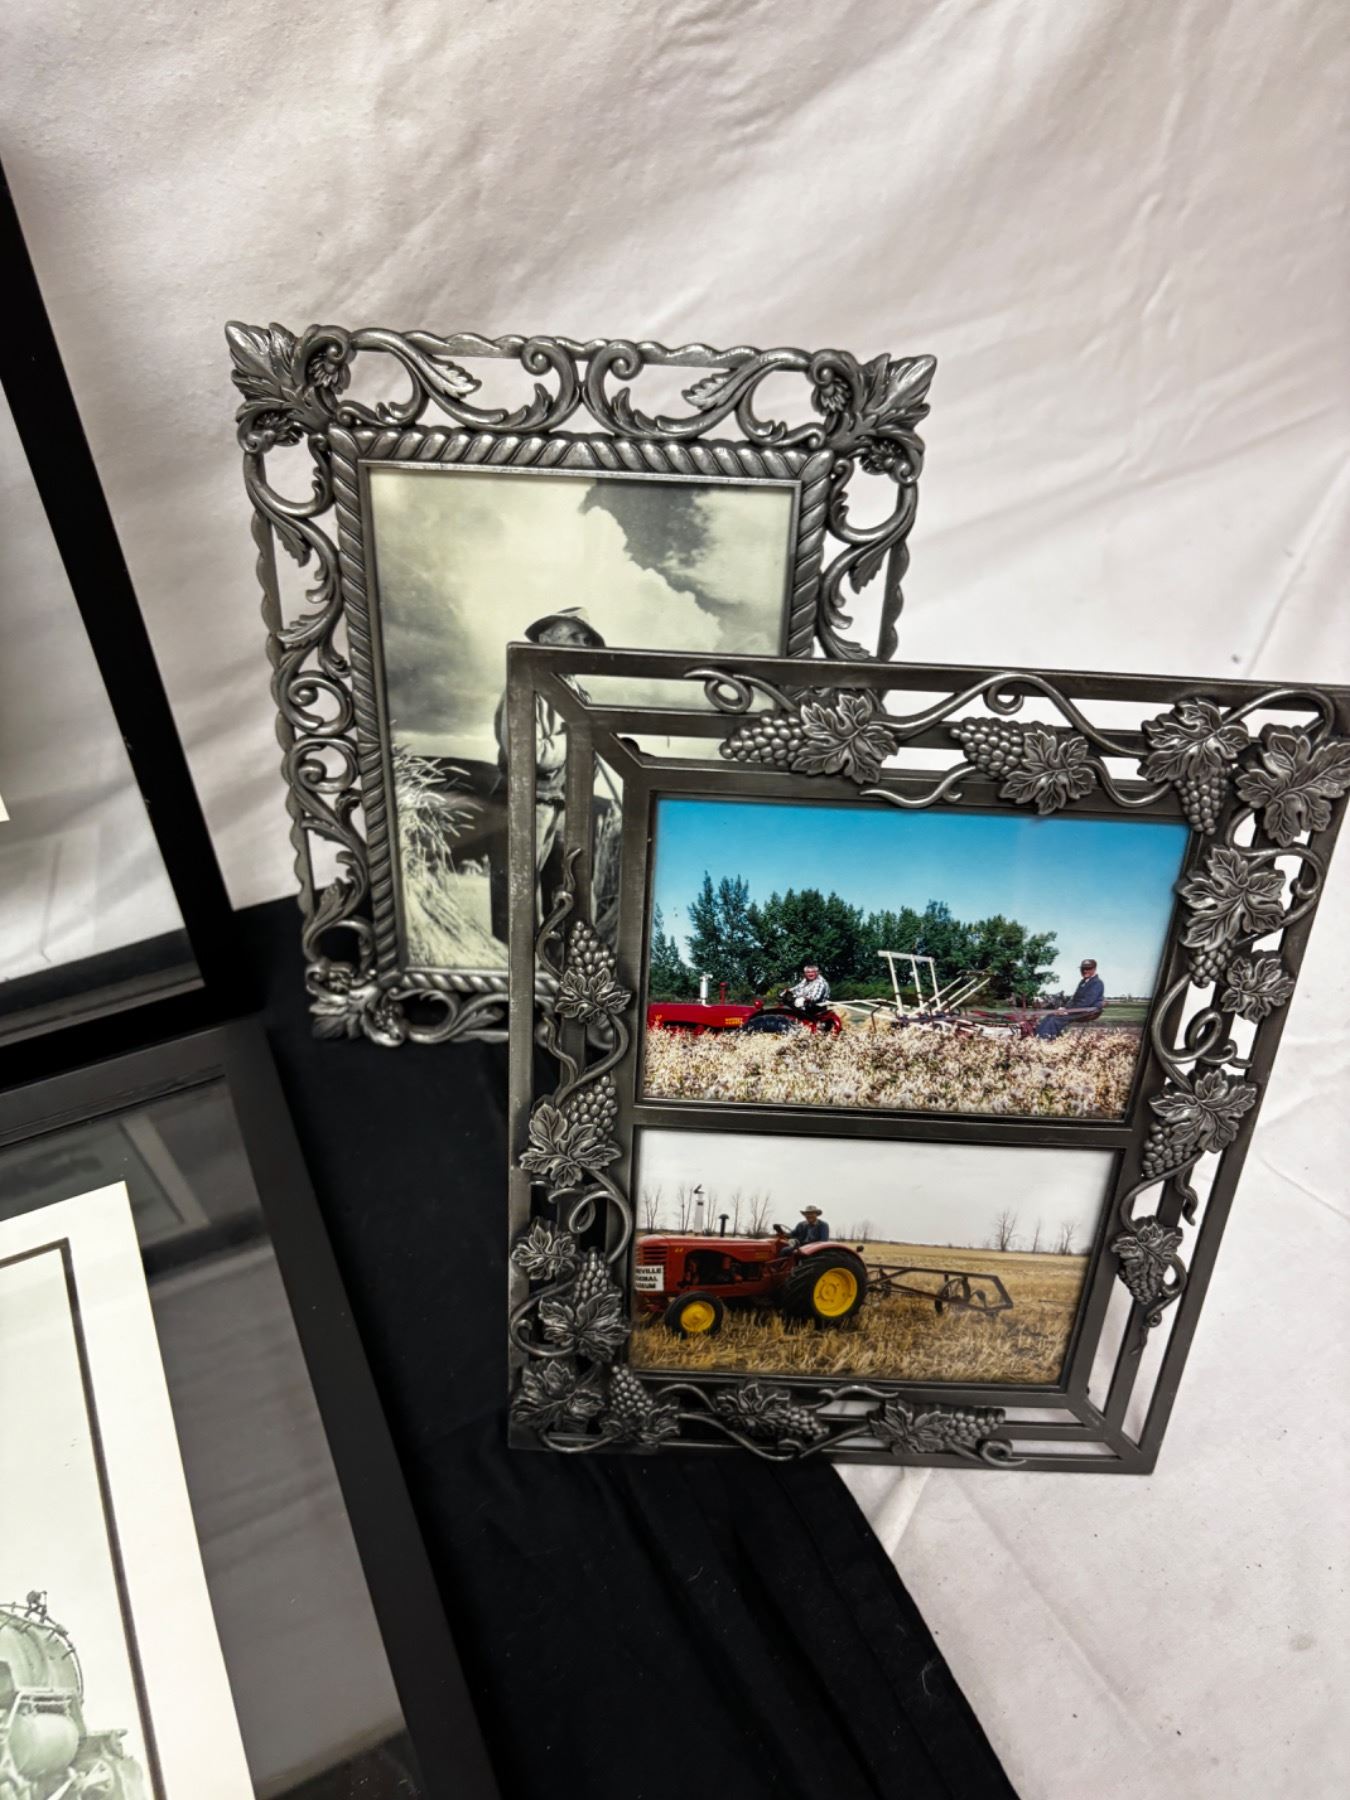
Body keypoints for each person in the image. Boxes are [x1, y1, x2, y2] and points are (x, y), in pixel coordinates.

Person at [488, 609, 607, 938]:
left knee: (565, 898)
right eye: (574, 637)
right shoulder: (525, 688)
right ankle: (511, 965)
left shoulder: (581, 695)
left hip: (565, 807)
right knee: (517, 901)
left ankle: (558, 964)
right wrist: (576, 733)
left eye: (587, 640)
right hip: (525, 805)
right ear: (544, 640)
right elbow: (532, 754)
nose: (582, 646)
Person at [1036, 959, 1105, 1040]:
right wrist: (1064, 1008)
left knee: (1055, 1019)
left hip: (1087, 1011)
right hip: (1078, 1009)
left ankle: (1045, 1039)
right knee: (1051, 1015)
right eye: (1083, 969)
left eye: (1088, 969)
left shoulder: (1097, 983)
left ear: (1094, 969)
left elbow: (1086, 1002)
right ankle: (1037, 1036)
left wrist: (1067, 1011)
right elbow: (1074, 999)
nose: (1084, 971)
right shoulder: (1083, 982)